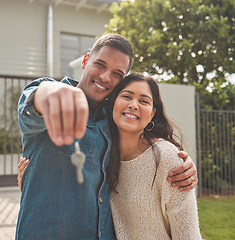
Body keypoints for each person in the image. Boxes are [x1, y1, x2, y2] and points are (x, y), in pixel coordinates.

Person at [16, 33, 198, 239]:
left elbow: (144, 146)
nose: (105, 77)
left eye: (116, 73)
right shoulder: (53, 97)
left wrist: (181, 163)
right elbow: (36, 102)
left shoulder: (113, 122)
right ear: (85, 60)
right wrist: (52, 92)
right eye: (100, 65)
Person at [105, 73, 201, 239]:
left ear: (152, 114)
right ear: (113, 102)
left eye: (144, 101)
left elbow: (188, 235)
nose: (134, 105)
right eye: (126, 96)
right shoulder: (101, 153)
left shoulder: (169, 158)